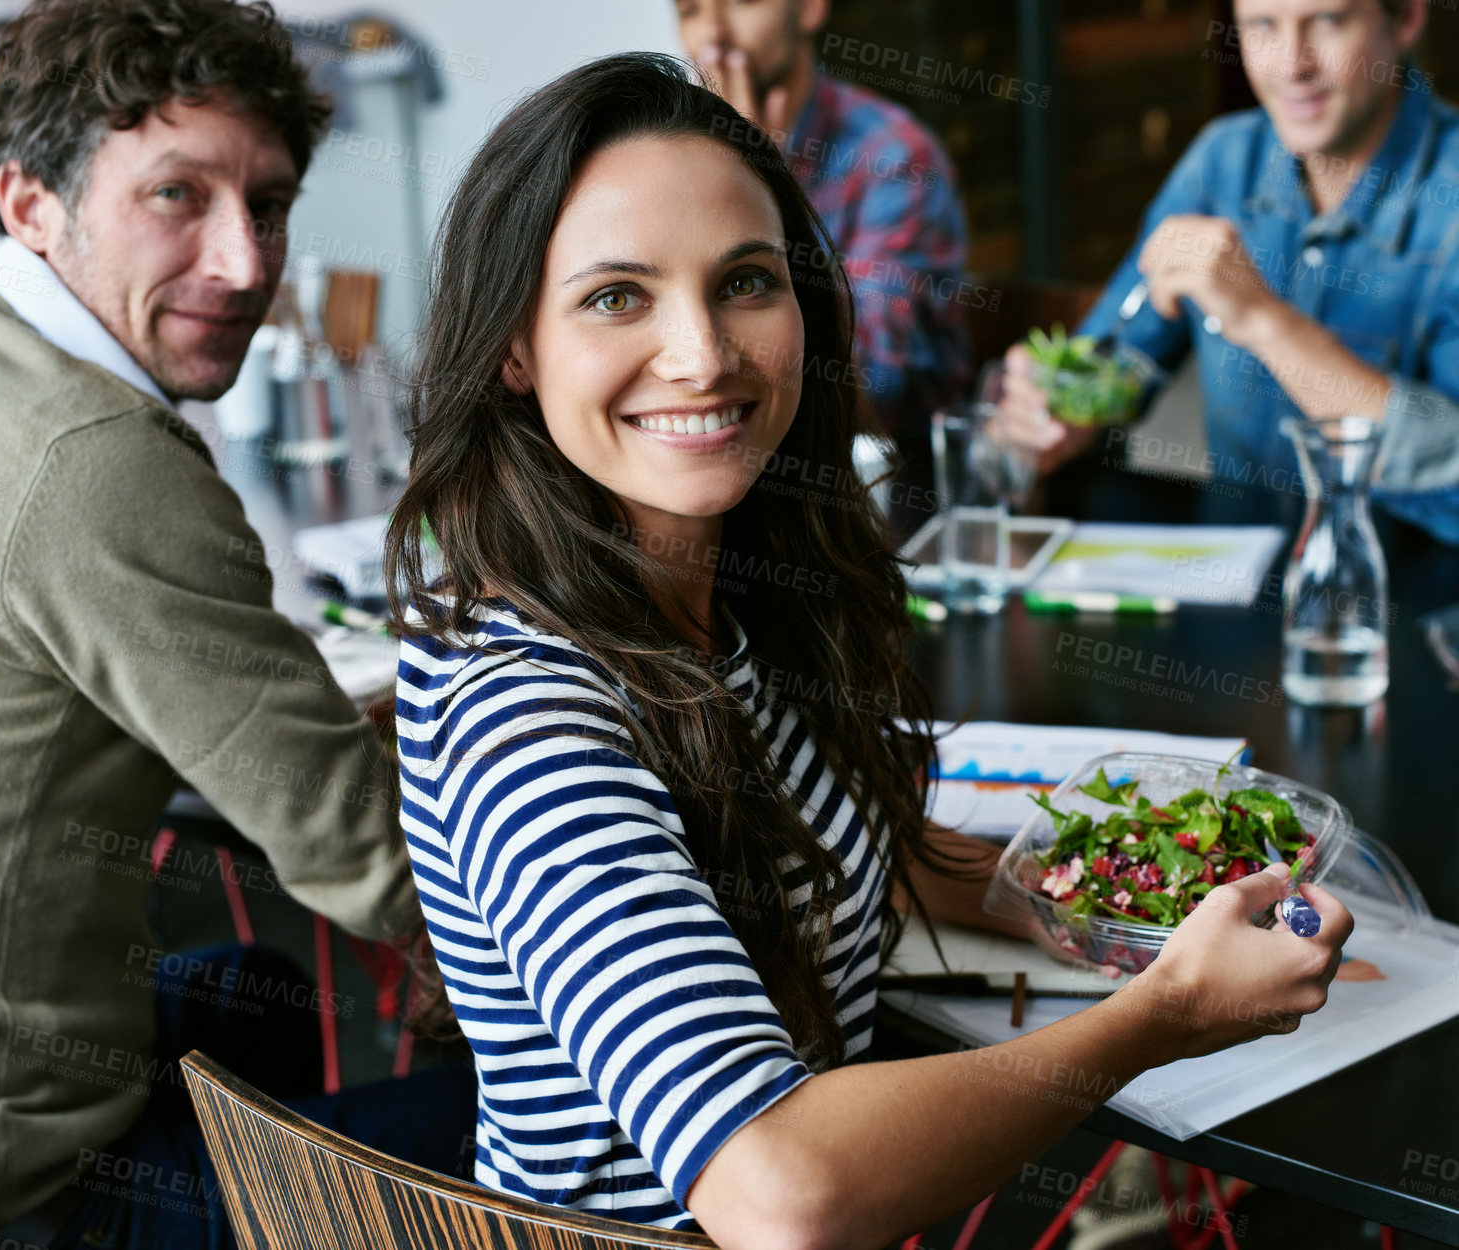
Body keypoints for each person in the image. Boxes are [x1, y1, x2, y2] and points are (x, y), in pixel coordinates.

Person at [386, 53, 1352, 1247]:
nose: (703, 353)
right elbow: (783, 1193)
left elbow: (860, 844)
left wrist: (1114, 892)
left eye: (744, 281)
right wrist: (1165, 1009)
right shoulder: (528, 712)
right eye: (616, 296)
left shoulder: (730, 589)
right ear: (513, 347)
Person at [0, 1, 472, 1244]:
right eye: (177, 197)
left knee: (255, 987)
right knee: (534, 1127)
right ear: (32, 205)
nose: (246, 264)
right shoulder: (96, 458)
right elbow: (352, 839)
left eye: (271, 205)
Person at [997, 0, 1459, 544]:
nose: (1292, 64)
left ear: (1405, 19)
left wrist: (1262, 319)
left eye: (1328, 21)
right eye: (1263, 25)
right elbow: (1118, 360)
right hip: (1241, 586)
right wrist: (1051, 407)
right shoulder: (1224, 160)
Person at [673, 0, 972, 438]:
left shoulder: (896, 158)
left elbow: (872, 386)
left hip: (884, 475)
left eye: (742, 3)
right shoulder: (672, 157)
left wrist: (758, 187)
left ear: (811, 8)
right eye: (689, 10)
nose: (712, 33)